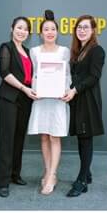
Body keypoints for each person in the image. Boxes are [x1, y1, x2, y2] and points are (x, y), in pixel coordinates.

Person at [27, 11, 72, 195]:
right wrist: (34, 89)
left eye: (53, 29)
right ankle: (47, 171)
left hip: (58, 100)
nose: (50, 32)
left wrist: (66, 90)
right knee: (44, 136)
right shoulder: (34, 51)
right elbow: (34, 75)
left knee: (55, 136)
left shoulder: (64, 51)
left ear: (57, 32)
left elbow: (67, 74)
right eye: (46, 29)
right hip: (41, 99)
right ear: (41, 33)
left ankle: (52, 175)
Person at [64, 16, 105, 197]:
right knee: (81, 138)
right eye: (79, 27)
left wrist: (74, 90)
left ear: (93, 30)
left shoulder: (97, 50)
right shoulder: (77, 51)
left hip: (88, 100)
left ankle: (81, 181)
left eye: (86, 27)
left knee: (86, 139)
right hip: (77, 99)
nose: (81, 30)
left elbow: (94, 76)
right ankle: (86, 174)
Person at [0, 17, 36, 198]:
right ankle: (3, 182)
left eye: (25, 29)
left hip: (26, 100)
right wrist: (24, 88)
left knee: (19, 138)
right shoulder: (6, 47)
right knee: (7, 140)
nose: (22, 31)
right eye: (19, 28)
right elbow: (5, 73)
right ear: (12, 29)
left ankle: (15, 174)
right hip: (9, 98)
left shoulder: (28, 51)